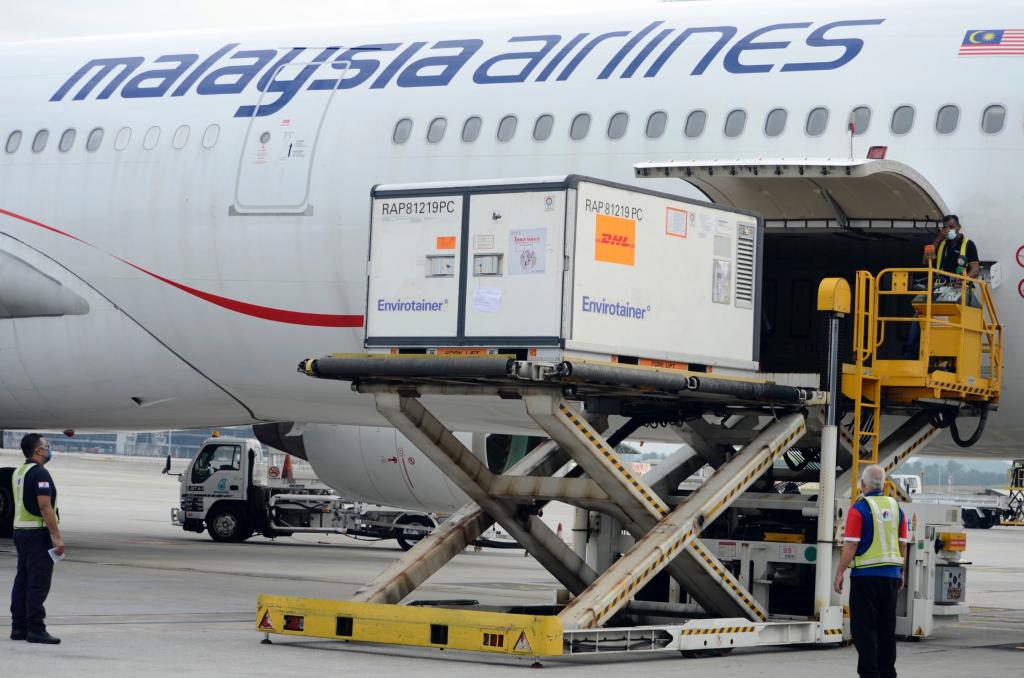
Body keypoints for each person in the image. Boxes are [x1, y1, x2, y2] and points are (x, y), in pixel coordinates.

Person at [833, 465, 908, 678]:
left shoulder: (859, 509)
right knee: (886, 629)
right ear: (883, 484)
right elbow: (903, 544)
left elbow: (851, 545)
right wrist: (901, 571)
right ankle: (888, 673)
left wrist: (839, 573)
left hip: (865, 578)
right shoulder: (896, 508)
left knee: (864, 630)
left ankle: (869, 674)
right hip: (890, 577)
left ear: (863, 484)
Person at [9, 433, 64, 644]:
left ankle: (18, 627)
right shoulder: (40, 473)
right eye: (46, 446)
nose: (48, 450)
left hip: (20, 532)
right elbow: (44, 506)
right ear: (38, 450)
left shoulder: (19, 472)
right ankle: (35, 628)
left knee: (22, 579)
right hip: (36, 534)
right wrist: (56, 536)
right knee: (38, 582)